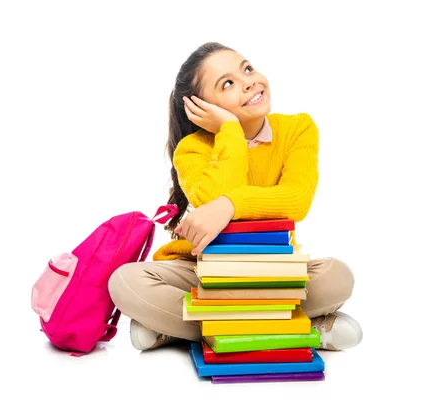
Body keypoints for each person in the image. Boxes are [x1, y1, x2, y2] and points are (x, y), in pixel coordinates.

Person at [108, 42, 363, 351]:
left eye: (247, 68)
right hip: (203, 269)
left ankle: (178, 328)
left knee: (338, 277)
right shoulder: (192, 149)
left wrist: (231, 205)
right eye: (227, 83)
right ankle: (297, 328)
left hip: (273, 271)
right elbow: (214, 196)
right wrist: (230, 130)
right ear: (202, 108)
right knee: (124, 281)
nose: (248, 81)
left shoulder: (298, 128)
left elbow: (296, 200)